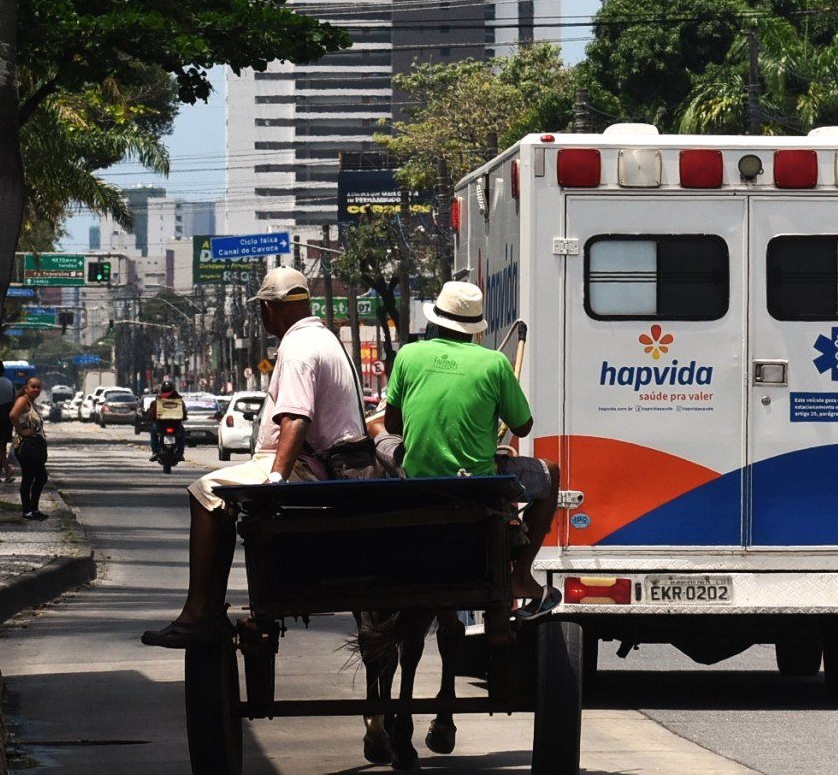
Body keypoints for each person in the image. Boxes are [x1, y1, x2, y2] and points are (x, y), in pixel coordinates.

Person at [141, 267, 367, 648]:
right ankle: (205, 610)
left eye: (263, 309)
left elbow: (296, 418)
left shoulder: (297, 349)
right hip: (335, 465)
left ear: (270, 308)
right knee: (218, 487)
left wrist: (276, 480)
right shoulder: (324, 338)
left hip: (307, 467)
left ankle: (201, 612)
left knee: (204, 490)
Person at [383, 279, 560, 612]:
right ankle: (521, 574)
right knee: (550, 473)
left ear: (436, 319)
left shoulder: (408, 355)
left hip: (418, 478)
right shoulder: (493, 363)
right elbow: (523, 425)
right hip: (478, 483)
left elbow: (392, 425)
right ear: (474, 327)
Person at [9, 375, 49, 520]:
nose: (36, 389)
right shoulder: (23, 401)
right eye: (33, 386)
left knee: (40, 477)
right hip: (27, 447)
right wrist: (21, 431)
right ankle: (28, 510)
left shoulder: (32, 403)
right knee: (30, 478)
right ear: (26, 388)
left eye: (38, 387)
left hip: (36, 446)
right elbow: (13, 415)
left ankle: (34, 509)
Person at [145, 380, 185, 460]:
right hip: (174, 424)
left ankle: (155, 452)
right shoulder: (178, 400)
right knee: (182, 433)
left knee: (153, 432)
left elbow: (152, 413)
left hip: (162, 425)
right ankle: (180, 453)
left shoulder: (158, 399)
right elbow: (184, 413)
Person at [0, 361, 16, 483]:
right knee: (2, 447)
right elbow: (14, 399)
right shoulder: (9, 383)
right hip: (7, 418)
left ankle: (7, 468)